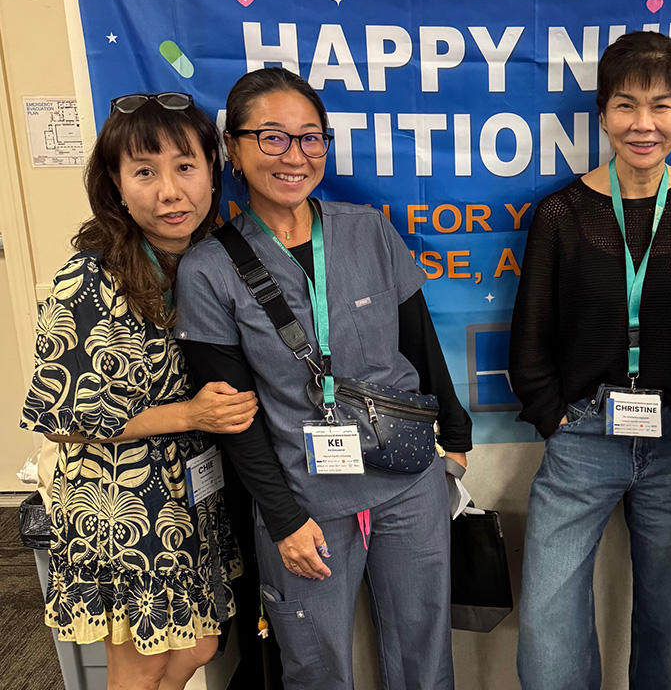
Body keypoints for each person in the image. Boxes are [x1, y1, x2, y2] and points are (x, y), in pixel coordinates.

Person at [173, 67, 472, 690]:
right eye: (272, 137)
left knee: (425, 656)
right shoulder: (208, 270)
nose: (295, 156)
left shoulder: (368, 230)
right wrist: (282, 518)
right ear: (233, 148)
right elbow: (232, 415)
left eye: (311, 138)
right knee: (316, 667)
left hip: (406, 479)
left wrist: (456, 436)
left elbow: (419, 340)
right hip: (304, 499)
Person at [509, 31, 671, 690]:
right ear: (603, 114)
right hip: (583, 433)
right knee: (548, 620)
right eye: (625, 105)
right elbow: (531, 330)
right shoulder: (561, 212)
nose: (644, 124)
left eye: (662, 105)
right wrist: (552, 416)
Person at [20, 93, 257, 690]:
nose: (170, 192)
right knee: (143, 661)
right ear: (116, 185)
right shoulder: (88, 277)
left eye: (185, 166)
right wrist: (191, 414)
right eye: (145, 172)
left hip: (189, 491)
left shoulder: (209, 259)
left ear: (213, 171)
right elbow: (63, 421)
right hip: (119, 497)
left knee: (200, 644)